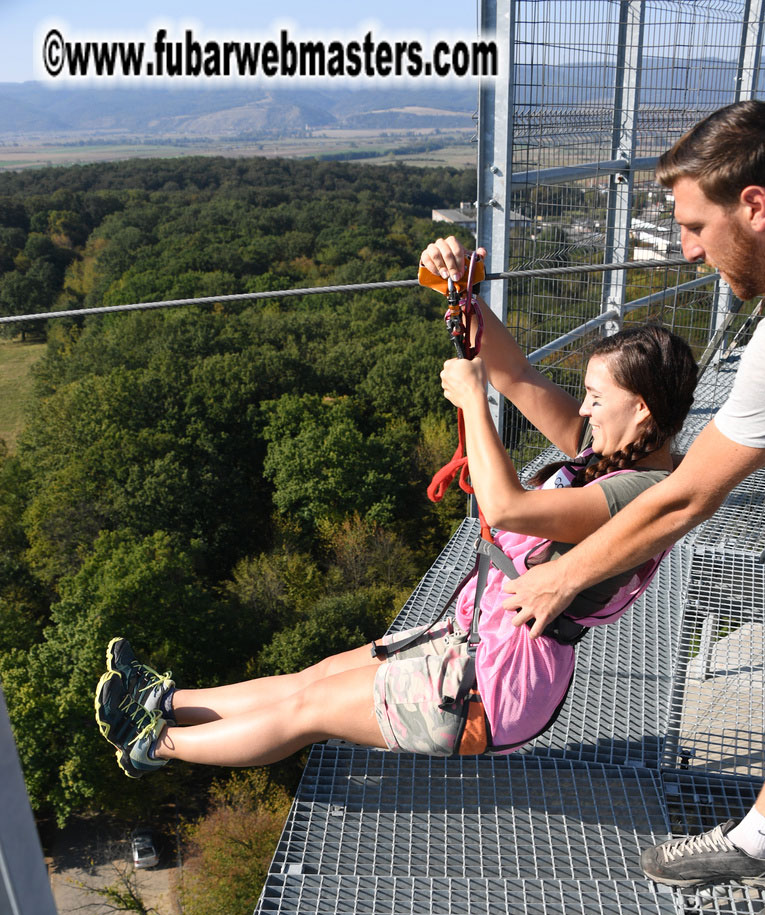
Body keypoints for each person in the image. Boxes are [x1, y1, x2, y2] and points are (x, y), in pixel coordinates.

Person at [94, 262, 697, 780]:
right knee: (317, 676)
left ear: (640, 408)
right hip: (477, 640)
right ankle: (164, 701)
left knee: (310, 710)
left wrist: (472, 405)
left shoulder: (637, 494)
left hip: (492, 688)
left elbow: (508, 506)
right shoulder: (612, 452)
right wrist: (462, 292)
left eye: (595, 395)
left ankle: (151, 743)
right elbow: (518, 376)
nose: (584, 407)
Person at [485, 99, 765, 915]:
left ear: (755, 204)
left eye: (695, 225)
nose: (687, 252)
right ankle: (760, 842)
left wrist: (557, 577)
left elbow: (681, 499)